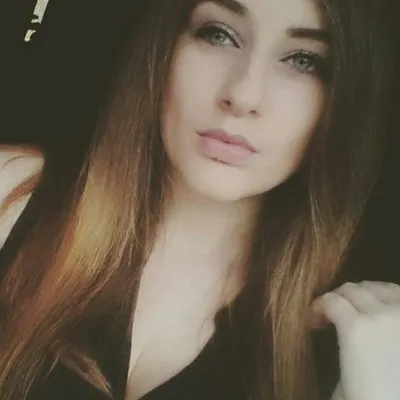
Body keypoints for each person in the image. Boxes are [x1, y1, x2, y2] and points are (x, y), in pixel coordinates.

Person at [0, 0, 397, 399]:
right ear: (163, 49)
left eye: (303, 61)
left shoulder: (352, 348)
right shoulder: (11, 193)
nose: (243, 95)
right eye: (218, 35)